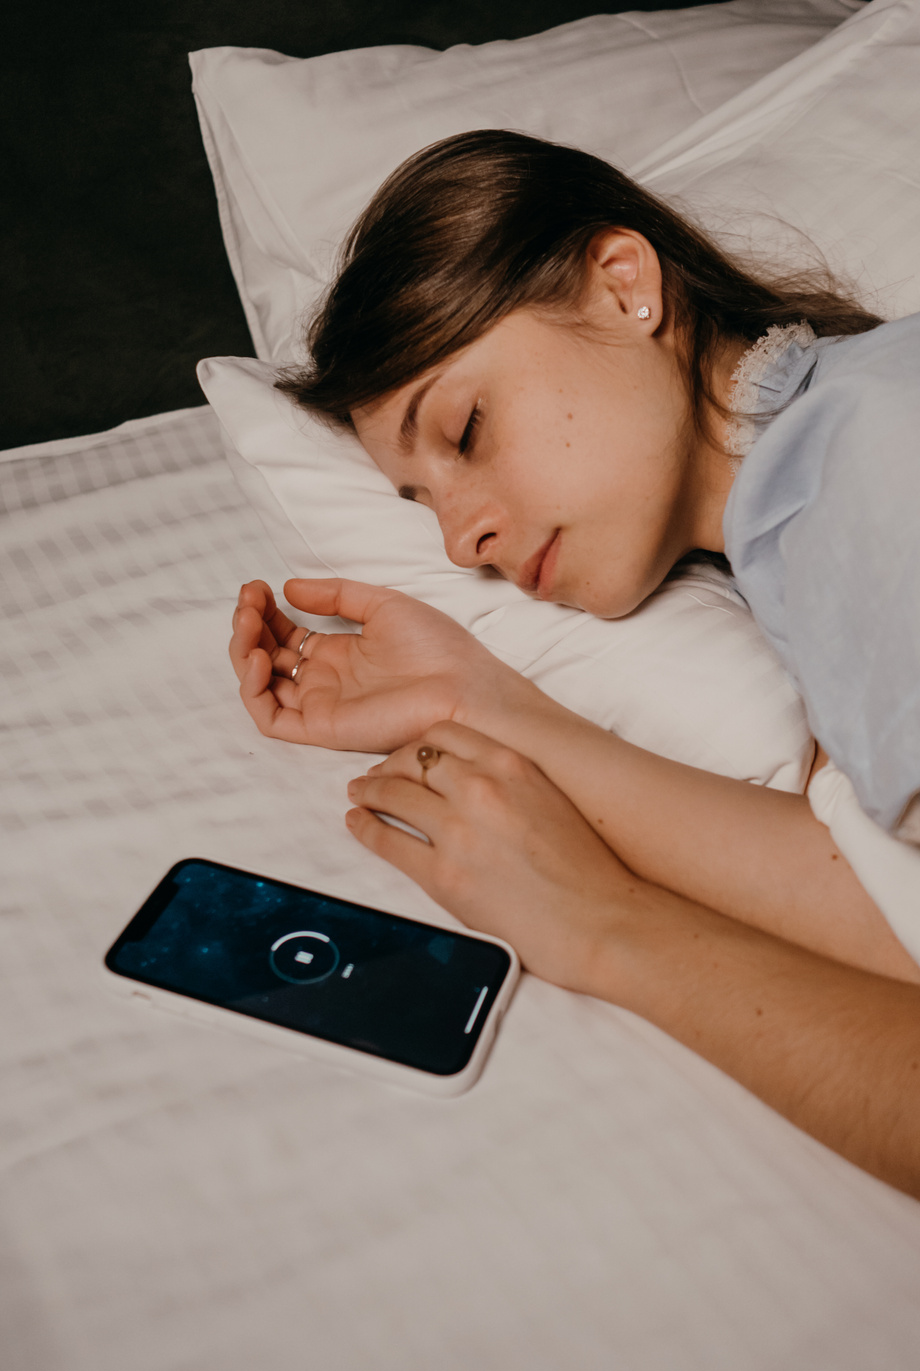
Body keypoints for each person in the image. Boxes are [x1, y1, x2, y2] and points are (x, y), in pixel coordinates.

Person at [228, 131, 920, 1195]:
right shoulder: (808, 492)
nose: (460, 540)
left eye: (463, 432)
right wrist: (480, 704)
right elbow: (885, 903)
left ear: (620, 286)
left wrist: (607, 928)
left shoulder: (872, 460)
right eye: (421, 504)